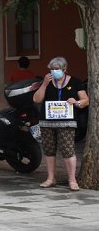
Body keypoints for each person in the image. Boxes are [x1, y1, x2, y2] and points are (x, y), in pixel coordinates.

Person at [32, 56, 88, 191]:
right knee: (49, 151)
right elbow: (37, 99)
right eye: (51, 69)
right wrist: (44, 84)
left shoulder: (75, 82)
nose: (54, 72)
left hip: (67, 122)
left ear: (64, 69)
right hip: (47, 122)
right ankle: (51, 178)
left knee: (68, 150)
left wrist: (76, 102)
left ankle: (72, 179)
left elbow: (86, 100)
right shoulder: (46, 82)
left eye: (56, 69)